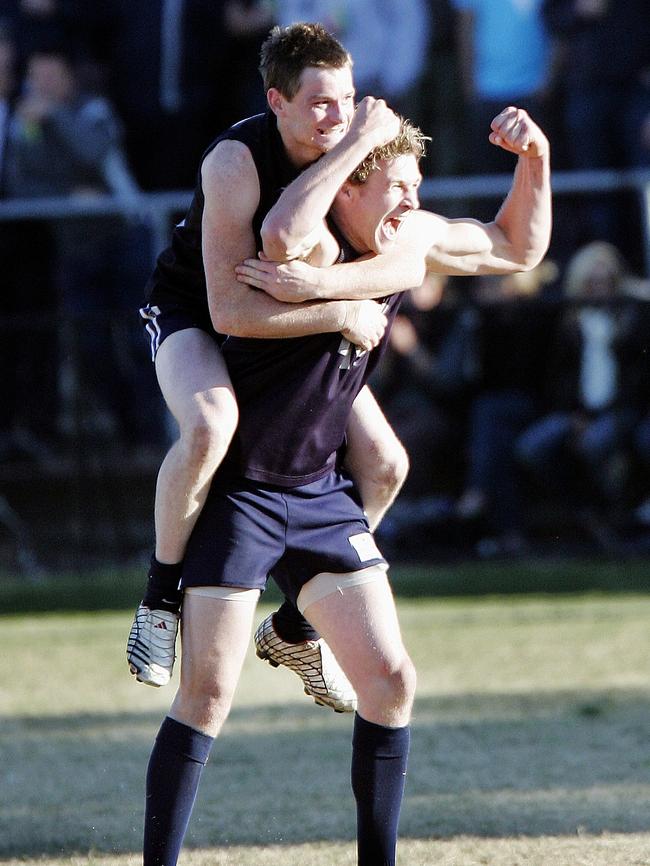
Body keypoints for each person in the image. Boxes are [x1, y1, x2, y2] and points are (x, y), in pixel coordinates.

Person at [141, 78, 551, 864]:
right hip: (242, 495)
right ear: (350, 182)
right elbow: (287, 240)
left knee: (392, 681)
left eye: (418, 190)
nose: (411, 204)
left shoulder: (401, 238)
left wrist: (536, 157)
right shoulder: (301, 230)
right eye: (398, 187)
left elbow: (516, 247)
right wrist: (339, 252)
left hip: (320, 494)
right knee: (207, 698)